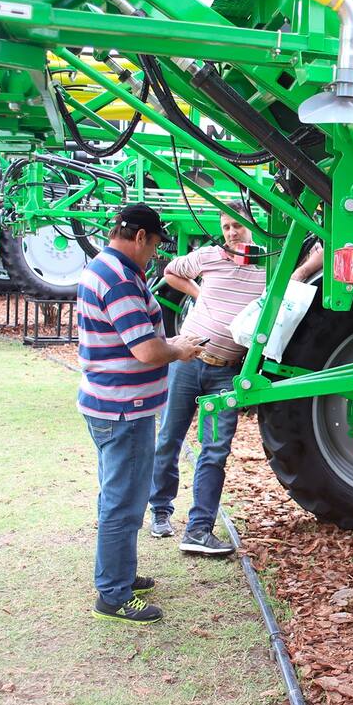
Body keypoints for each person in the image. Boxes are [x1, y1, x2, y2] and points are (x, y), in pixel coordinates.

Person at [77, 203, 204, 625]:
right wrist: (181, 348)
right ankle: (112, 594)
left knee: (118, 495)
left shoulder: (107, 268)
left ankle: (121, 575)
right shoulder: (119, 280)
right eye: (153, 245)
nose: (154, 254)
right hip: (124, 410)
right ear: (139, 238)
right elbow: (147, 350)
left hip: (108, 403)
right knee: (124, 503)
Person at [149, 202, 267, 556]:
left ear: (253, 226)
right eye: (227, 226)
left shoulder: (266, 266)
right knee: (170, 436)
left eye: (238, 226)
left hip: (227, 371)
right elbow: (170, 271)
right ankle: (160, 511)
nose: (232, 232)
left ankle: (199, 529)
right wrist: (200, 294)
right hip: (187, 362)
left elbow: (292, 281)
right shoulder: (210, 256)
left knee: (215, 450)